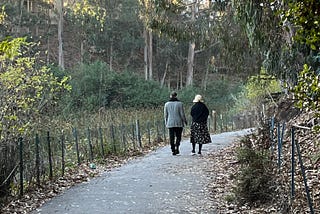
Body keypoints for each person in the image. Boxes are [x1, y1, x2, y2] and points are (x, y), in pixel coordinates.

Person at [164, 91, 187, 155]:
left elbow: (165, 115)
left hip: (170, 123)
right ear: (176, 96)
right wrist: (185, 121)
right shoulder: (180, 104)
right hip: (179, 123)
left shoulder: (167, 104)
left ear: (170, 96)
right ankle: (177, 146)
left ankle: (172, 148)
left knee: (171, 136)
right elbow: (182, 114)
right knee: (178, 136)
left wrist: (166, 123)